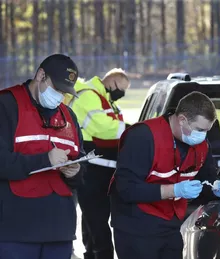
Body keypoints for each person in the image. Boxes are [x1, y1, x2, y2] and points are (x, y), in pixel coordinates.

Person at [109, 91, 220, 259]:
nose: (203, 135)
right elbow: (126, 189)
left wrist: (215, 187)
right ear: (182, 120)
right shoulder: (143, 136)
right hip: (136, 226)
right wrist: (174, 191)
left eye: (207, 130)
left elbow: (205, 179)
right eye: (200, 129)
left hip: (170, 224)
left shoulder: (201, 145)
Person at [0, 54, 86, 259]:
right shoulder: (6, 105)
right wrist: (44, 160)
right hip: (16, 232)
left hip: (60, 232)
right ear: (40, 75)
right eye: (57, 89)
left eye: (65, 93)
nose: (60, 97)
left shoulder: (68, 115)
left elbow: (81, 163)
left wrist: (75, 171)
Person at [64, 68, 131, 259]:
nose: (122, 94)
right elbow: (103, 127)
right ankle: (102, 255)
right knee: (97, 217)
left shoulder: (103, 98)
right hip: (91, 168)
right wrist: (130, 131)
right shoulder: (89, 96)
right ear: (112, 82)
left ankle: (92, 254)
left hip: (99, 167)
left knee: (92, 217)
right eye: (121, 88)